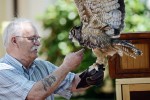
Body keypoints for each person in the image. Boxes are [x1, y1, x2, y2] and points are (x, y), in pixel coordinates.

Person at [0, 18, 104, 100]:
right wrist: (66, 66)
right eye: (32, 39)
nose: (38, 43)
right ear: (14, 41)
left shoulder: (42, 66)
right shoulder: (3, 71)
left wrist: (101, 62)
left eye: (37, 38)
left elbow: (74, 83)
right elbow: (35, 95)